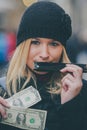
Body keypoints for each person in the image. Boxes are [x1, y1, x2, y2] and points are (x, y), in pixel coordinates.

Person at [0, 1, 87, 130]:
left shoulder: (80, 91)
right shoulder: (3, 90)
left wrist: (72, 105)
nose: (44, 54)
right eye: (35, 42)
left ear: (62, 49)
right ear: (22, 47)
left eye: (54, 44)